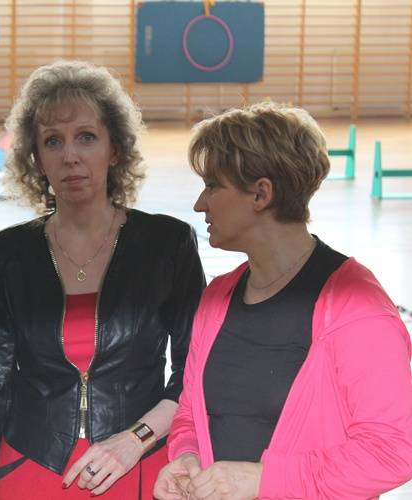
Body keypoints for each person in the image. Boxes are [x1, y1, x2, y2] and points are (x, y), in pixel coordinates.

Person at [0, 60, 206, 500]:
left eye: (86, 137)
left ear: (115, 149)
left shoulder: (167, 244)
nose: (70, 156)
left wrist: (135, 439)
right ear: (36, 158)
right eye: (53, 141)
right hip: (30, 464)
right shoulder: (7, 253)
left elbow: (195, 371)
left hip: (137, 461)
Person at [154, 102, 412, 500]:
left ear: (261, 194)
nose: (199, 204)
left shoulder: (355, 305)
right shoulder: (218, 296)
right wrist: (187, 456)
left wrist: (262, 480)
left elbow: (392, 451)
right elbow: (191, 412)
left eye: (213, 186)